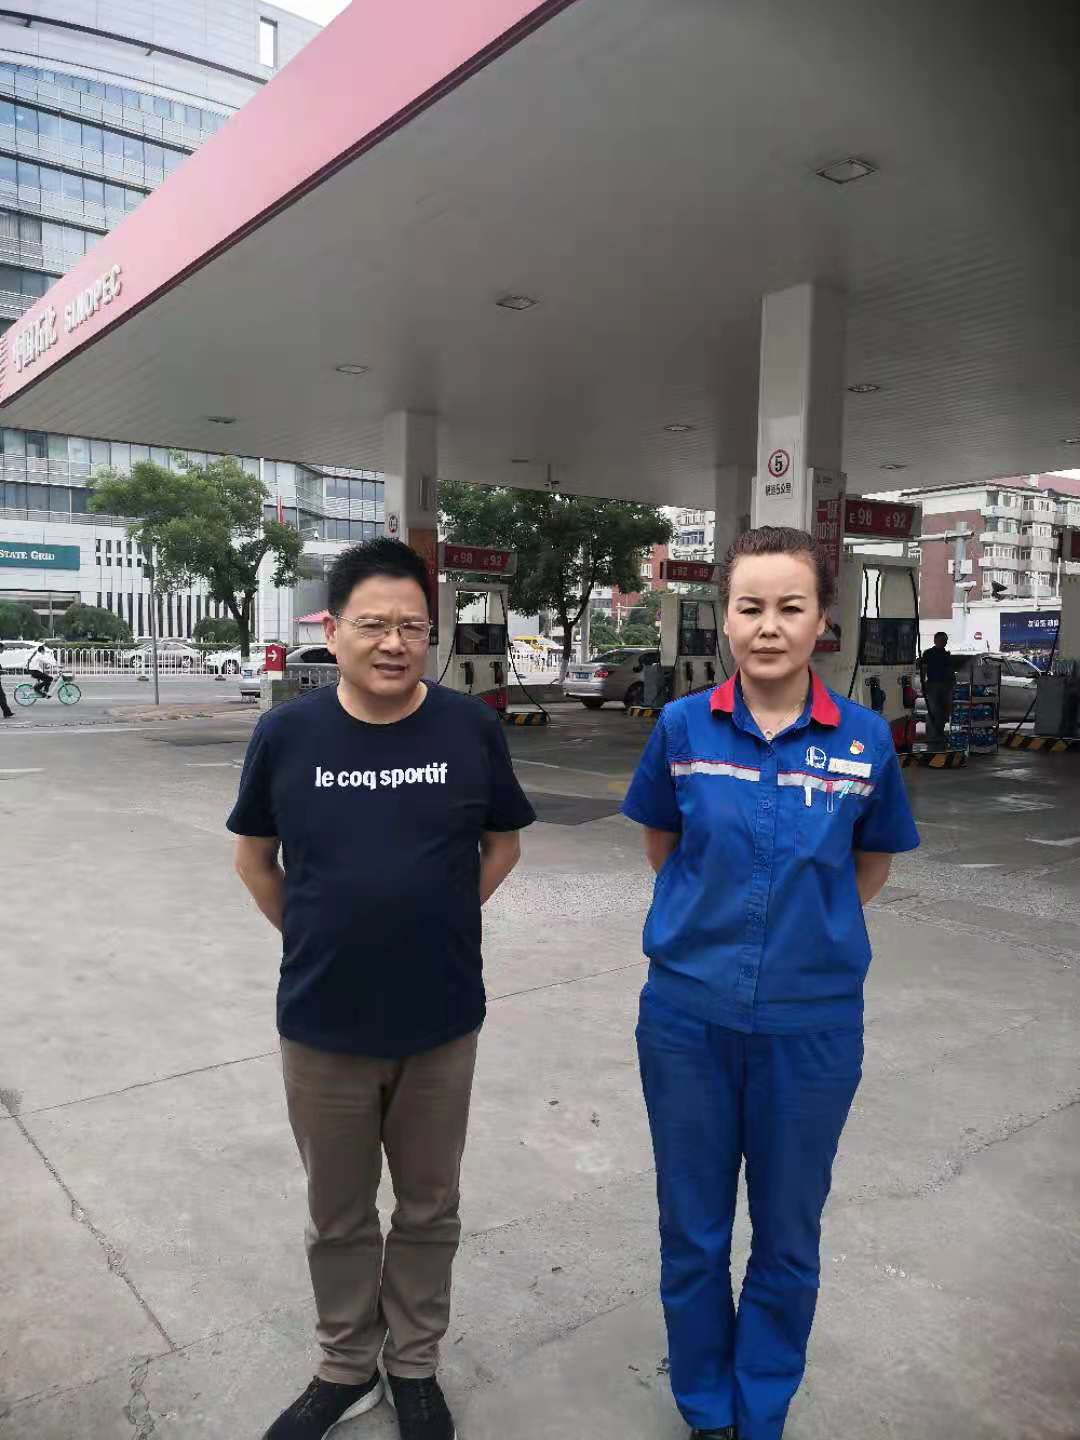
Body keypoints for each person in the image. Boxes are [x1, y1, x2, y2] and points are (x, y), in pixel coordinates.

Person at [228, 538, 535, 1440]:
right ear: (332, 630)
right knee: (338, 1214)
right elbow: (255, 862)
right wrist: (319, 936)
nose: (394, 643)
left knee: (430, 1206)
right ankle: (345, 1365)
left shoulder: (469, 728)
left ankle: (414, 1365)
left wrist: (440, 917)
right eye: (374, 624)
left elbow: (504, 843)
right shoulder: (287, 735)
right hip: (322, 1022)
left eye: (413, 626)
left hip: (441, 1018)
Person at [623, 525, 919, 1440]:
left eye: (792, 607)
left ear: (823, 621)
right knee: (694, 1229)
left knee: (788, 1236)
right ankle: (706, 1406)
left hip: (811, 1029)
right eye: (750, 606)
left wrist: (801, 936)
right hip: (687, 1021)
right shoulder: (681, 729)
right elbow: (665, 848)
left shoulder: (864, 741)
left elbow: (868, 868)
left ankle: (761, 1408)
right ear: (725, 618)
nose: (769, 626)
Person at [919, 631, 953, 747]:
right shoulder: (928, 653)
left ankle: (939, 734)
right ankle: (931, 736)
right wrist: (923, 684)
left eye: (945, 640)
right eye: (941, 640)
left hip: (946, 686)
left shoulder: (946, 654)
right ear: (935, 640)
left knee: (943, 712)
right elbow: (923, 669)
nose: (944, 642)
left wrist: (952, 685)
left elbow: (950, 671)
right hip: (932, 686)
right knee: (933, 711)